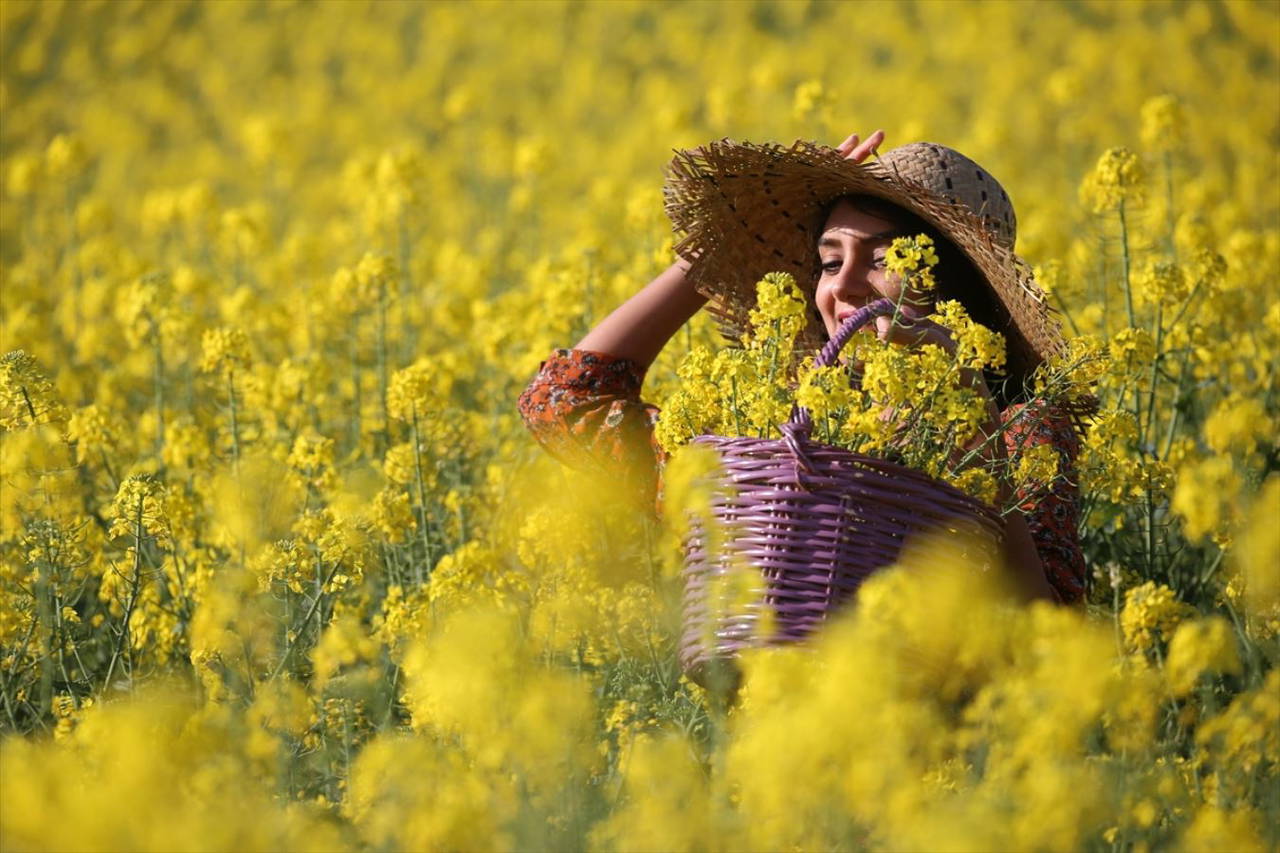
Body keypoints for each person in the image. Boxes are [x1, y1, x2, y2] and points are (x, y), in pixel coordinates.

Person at [518, 130, 1087, 604]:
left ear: (959, 292)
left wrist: (969, 402)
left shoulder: (1022, 434)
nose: (841, 286)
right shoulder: (770, 443)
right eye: (829, 261)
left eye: (888, 261)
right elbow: (565, 402)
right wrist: (717, 250)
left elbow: (1051, 627)